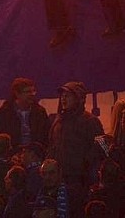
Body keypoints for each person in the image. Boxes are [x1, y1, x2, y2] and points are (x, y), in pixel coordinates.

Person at [47, 81, 103, 211]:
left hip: (80, 184)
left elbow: (102, 151)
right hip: (58, 184)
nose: (63, 99)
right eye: (62, 95)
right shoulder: (57, 121)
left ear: (79, 98)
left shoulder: (91, 122)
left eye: (68, 95)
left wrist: (85, 169)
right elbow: (51, 147)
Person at [0, 77, 50, 150]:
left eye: (33, 91)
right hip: (11, 157)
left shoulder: (40, 112)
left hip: (36, 156)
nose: (32, 94)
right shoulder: (3, 113)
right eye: (27, 92)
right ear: (17, 93)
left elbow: (47, 137)